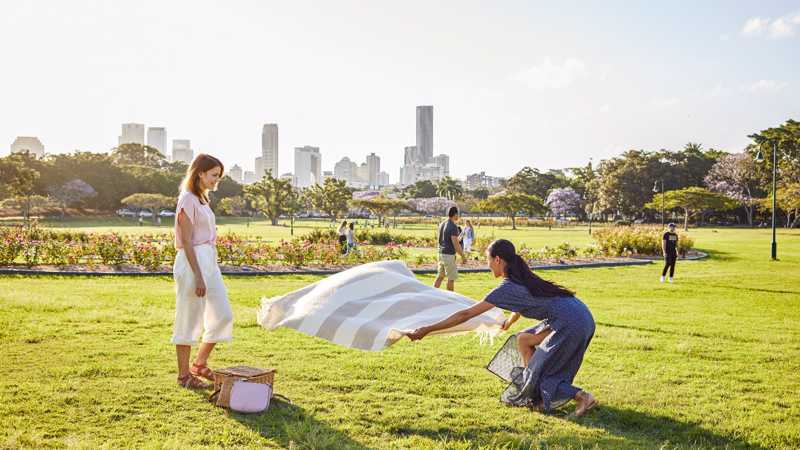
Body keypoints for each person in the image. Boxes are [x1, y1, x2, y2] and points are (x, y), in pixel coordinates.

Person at [408, 239, 597, 416]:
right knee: (523, 339)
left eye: (488, 259)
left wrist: (427, 329)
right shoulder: (521, 277)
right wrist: (510, 322)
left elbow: (464, 315)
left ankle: (582, 397)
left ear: (497, 259)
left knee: (544, 371)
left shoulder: (506, 288)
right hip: (580, 315)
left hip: (570, 323)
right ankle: (533, 392)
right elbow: (524, 303)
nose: (487, 264)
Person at [172, 154, 234, 389]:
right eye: (214, 175)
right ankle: (184, 376)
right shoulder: (187, 199)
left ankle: (199, 363)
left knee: (223, 314)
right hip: (192, 262)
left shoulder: (202, 199)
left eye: (219, 175)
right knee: (189, 316)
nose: (217, 180)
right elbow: (187, 241)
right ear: (200, 173)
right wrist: (198, 274)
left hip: (208, 260)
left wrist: (208, 268)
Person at [435, 206, 467, 291]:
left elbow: (443, 239)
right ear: (455, 214)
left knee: (440, 277)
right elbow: (456, 245)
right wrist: (463, 256)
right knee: (451, 278)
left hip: (440, 253)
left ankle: (432, 295)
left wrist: (458, 238)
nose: (458, 216)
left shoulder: (442, 224)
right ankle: (451, 299)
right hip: (448, 255)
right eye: (458, 214)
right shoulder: (453, 226)